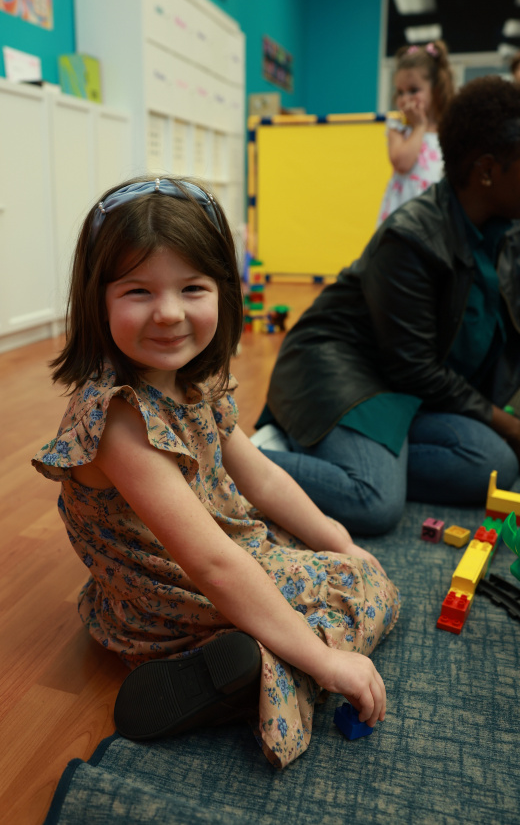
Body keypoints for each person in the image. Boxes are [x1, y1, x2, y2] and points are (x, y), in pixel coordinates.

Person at [32, 177, 399, 768]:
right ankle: (261, 670)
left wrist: (340, 539)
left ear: (223, 292)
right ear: (98, 299)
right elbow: (212, 564)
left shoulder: (192, 382)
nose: (169, 312)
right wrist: (328, 662)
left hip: (199, 567)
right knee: (368, 590)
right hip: (165, 600)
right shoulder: (118, 419)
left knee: (340, 559)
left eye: (192, 288)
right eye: (138, 291)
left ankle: (250, 663)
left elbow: (264, 480)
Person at [254, 76, 520, 536]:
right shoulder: (412, 237)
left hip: (401, 388)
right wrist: (510, 425)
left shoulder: (505, 231)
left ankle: (345, 453)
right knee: (374, 501)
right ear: (487, 171)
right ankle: (238, 458)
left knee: (494, 464)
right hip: (336, 371)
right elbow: (414, 368)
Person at [376, 41, 455, 227]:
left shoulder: (448, 130)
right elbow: (402, 163)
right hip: (402, 215)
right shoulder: (398, 128)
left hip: (435, 214)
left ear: (436, 90)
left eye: (413, 90)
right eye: (400, 92)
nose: (405, 99)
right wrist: (419, 127)